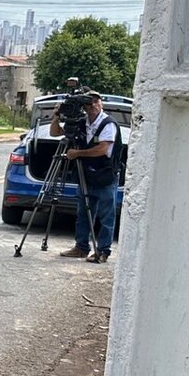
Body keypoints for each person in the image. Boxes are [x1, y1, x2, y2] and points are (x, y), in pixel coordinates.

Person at [49, 90, 119, 263]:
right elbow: (55, 133)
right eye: (89, 103)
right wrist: (57, 116)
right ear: (84, 107)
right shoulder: (81, 123)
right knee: (83, 213)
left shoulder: (108, 124)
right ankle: (81, 247)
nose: (93, 105)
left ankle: (103, 250)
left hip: (105, 177)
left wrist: (78, 153)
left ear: (101, 103)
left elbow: (103, 149)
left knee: (106, 216)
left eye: (96, 102)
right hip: (86, 176)